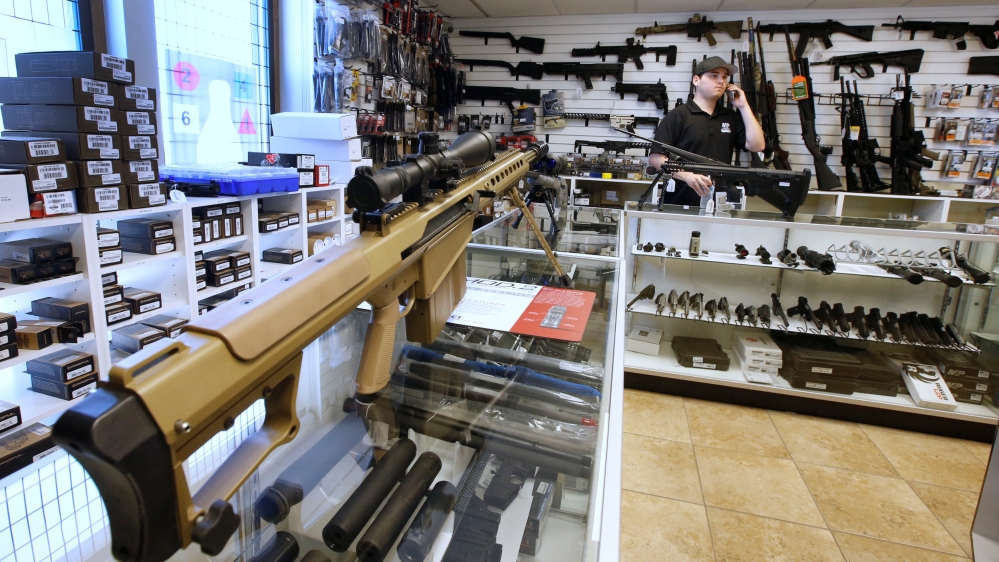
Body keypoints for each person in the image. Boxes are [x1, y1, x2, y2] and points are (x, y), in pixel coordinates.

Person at [649, 56, 766, 206]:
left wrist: (743, 106)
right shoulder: (678, 116)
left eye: (724, 77)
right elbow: (656, 158)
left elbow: (757, 146)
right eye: (713, 76)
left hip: (720, 204)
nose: (721, 81)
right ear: (696, 80)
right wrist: (687, 176)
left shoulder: (731, 117)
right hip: (680, 203)